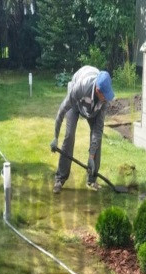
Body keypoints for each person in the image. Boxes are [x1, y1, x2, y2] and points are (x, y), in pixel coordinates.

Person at [50, 66, 115, 194]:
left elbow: (98, 130)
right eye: (105, 96)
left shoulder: (104, 99)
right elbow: (62, 110)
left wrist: (91, 156)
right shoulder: (81, 87)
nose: (107, 99)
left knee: (97, 140)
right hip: (76, 103)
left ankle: (92, 179)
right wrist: (55, 137)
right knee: (69, 135)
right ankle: (60, 178)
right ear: (98, 90)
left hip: (92, 108)